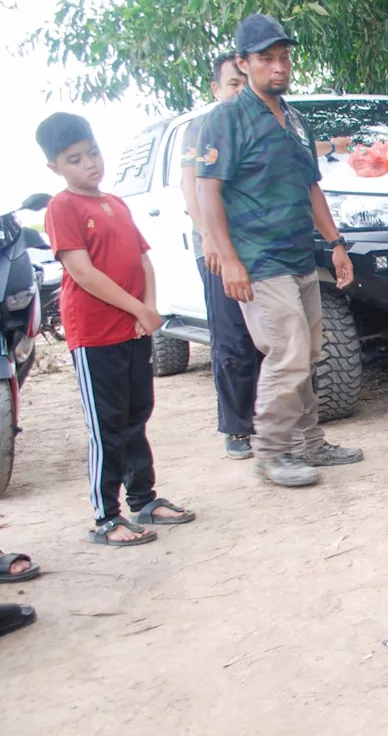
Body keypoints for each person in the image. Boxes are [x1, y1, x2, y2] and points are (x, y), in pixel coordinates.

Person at [196, 14, 363, 487]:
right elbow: (208, 192)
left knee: (307, 353)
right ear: (243, 63)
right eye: (266, 59)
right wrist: (229, 259)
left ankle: (309, 442)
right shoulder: (226, 118)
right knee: (287, 351)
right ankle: (271, 451)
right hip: (258, 260)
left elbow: (311, 187)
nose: (278, 67)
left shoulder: (294, 119)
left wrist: (336, 245)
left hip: (299, 256)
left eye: (284, 58)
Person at [37, 112, 197, 544]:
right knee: (106, 424)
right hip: (95, 334)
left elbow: (143, 259)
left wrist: (148, 307)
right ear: (55, 167)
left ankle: (143, 499)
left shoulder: (114, 202)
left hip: (132, 330)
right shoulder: (62, 207)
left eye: (93, 153)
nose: (90, 164)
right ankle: (105, 517)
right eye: (75, 159)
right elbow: (83, 273)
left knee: (136, 416)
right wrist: (137, 310)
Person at [180, 52, 258, 460]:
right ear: (216, 89)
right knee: (232, 338)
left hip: (261, 247)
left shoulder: (266, 122)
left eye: (248, 81)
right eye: (234, 84)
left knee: (272, 336)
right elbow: (191, 184)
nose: (243, 90)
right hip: (218, 247)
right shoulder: (203, 126)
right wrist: (210, 238)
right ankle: (237, 429)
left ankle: (271, 420)